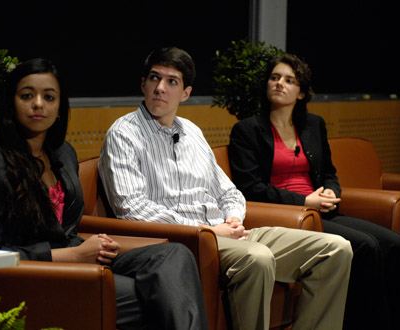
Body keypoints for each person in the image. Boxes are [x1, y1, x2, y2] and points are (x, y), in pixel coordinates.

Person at [99, 47, 353, 330]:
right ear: (143, 83)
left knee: (335, 250)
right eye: (154, 78)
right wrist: (206, 231)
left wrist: (233, 218)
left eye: (172, 81)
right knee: (257, 258)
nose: (160, 88)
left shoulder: (191, 132)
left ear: (185, 93)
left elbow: (229, 191)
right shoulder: (124, 133)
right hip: (181, 243)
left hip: (227, 231)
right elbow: (130, 207)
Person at [0, 58, 208, 330]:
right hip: (33, 276)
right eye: (27, 95)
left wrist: (95, 245)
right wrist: (72, 256)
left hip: (75, 256)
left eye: (49, 97)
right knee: (154, 295)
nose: (39, 103)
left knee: (174, 256)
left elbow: (65, 229)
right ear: (11, 103)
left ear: (59, 108)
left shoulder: (63, 154)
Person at [228, 53, 400, 330]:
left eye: (289, 80)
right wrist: (304, 200)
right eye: (274, 78)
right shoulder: (247, 130)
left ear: (302, 92)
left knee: (398, 245)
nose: (279, 84)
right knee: (364, 245)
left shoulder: (313, 125)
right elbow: (250, 187)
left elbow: (329, 172)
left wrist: (330, 191)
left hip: (321, 209)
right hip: (289, 215)